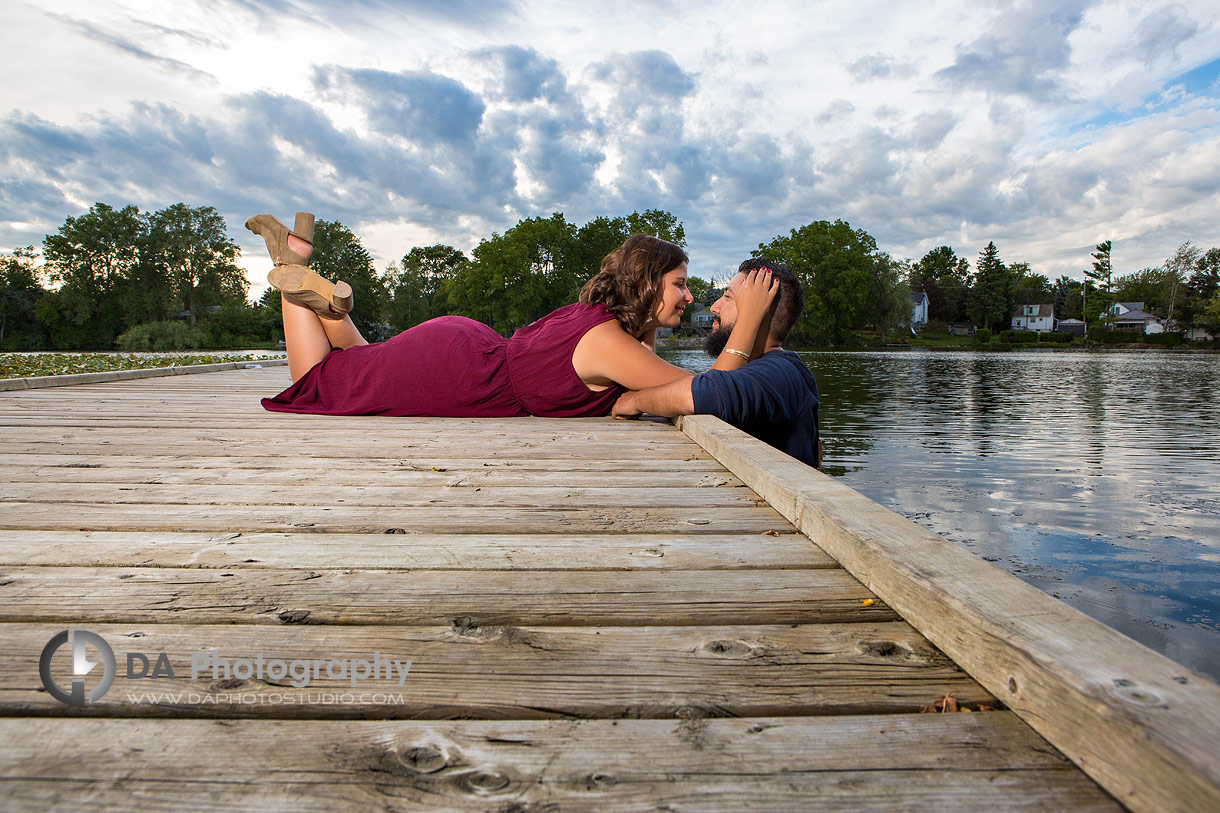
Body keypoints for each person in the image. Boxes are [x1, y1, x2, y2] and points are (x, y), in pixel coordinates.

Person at [246, 212, 780, 417]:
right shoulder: (609, 342)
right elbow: (711, 395)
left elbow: (649, 379)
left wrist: (641, 393)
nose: (689, 297)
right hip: (463, 375)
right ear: (644, 285)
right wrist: (751, 320)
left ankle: (311, 278)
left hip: (464, 351)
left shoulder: (601, 323)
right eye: (680, 285)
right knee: (319, 380)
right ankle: (293, 276)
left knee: (361, 362)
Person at [611, 259, 821, 468]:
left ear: (757, 311)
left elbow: (701, 394)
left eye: (727, 297)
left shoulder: (782, 372)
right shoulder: (759, 368)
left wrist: (636, 401)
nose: (714, 307)